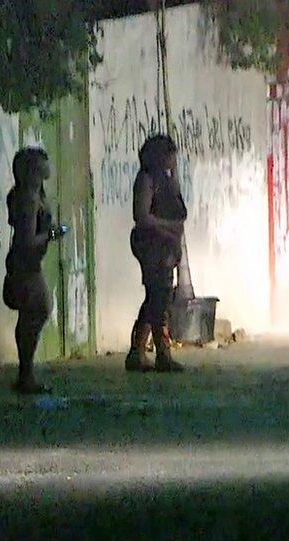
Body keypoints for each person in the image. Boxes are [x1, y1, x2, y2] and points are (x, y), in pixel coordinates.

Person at [3, 148, 67, 394]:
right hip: (25, 263)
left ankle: (25, 372)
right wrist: (53, 234)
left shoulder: (32, 194)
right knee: (38, 310)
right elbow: (27, 239)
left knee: (32, 314)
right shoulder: (28, 199)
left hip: (26, 263)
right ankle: (25, 372)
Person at [126, 135, 187, 373]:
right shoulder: (147, 179)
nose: (174, 160)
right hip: (152, 245)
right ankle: (157, 351)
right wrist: (167, 228)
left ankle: (141, 350)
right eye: (170, 155)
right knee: (158, 296)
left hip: (166, 246)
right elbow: (141, 216)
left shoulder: (168, 180)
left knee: (160, 296)